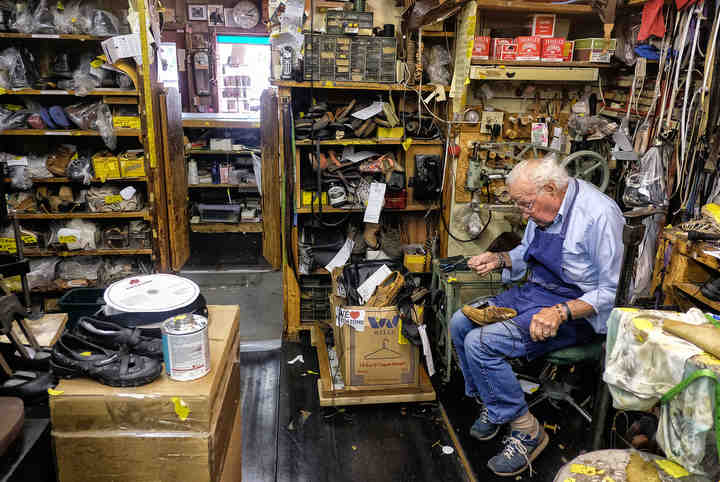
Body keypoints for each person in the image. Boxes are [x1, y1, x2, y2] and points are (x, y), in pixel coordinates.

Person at [450, 157, 624, 476]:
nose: (524, 214)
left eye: (526, 205)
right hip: (536, 294)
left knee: (480, 343)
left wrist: (561, 311)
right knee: (460, 322)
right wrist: (501, 259)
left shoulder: (598, 215)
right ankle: (493, 403)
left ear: (550, 189)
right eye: (520, 205)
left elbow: (613, 290)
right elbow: (527, 253)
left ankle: (527, 430)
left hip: (577, 312)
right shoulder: (540, 209)